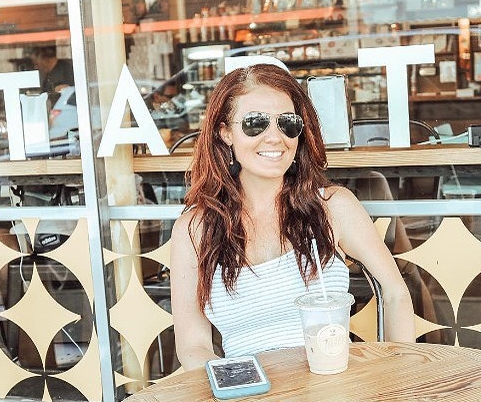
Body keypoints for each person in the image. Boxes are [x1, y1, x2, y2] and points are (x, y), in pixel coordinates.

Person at [170, 64, 416, 371]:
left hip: (333, 384)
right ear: (225, 133)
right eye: (255, 123)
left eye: (288, 123)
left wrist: (402, 377)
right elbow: (193, 346)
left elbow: (395, 293)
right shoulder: (194, 230)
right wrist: (238, 384)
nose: (275, 138)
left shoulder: (333, 207)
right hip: (250, 392)